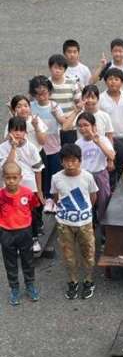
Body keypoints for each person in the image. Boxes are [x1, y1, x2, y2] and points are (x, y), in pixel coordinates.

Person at [51, 143, 98, 300]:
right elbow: (56, 197)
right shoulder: (56, 178)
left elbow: (93, 196)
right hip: (64, 224)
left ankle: (88, 281)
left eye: (73, 160)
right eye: (66, 161)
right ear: (61, 162)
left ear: (80, 161)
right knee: (68, 256)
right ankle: (72, 281)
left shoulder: (87, 177)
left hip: (84, 223)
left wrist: (84, 213)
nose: (70, 164)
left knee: (89, 253)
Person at [0, 118, 44, 252]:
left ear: (25, 132)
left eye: (21, 130)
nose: (18, 133)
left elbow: (38, 170)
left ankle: (34, 238)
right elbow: (7, 166)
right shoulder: (3, 148)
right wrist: (13, 148)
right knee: (13, 213)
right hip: (10, 186)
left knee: (32, 213)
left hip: (29, 186)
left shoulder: (31, 147)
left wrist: (39, 191)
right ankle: (16, 241)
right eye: (14, 130)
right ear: (9, 132)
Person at [0, 162, 40, 305]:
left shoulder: (27, 193)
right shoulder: (1, 195)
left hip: (24, 232)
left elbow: (33, 209)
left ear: (20, 177)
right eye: (8, 178)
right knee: (10, 262)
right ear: (3, 177)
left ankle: (30, 285)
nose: (11, 181)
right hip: (6, 232)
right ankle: (14, 288)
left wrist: (34, 232)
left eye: (14, 177)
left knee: (28, 260)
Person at [29, 75, 65, 214]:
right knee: (43, 173)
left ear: (49, 91)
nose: (41, 96)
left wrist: (56, 115)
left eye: (44, 92)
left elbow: (63, 122)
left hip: (54, 146)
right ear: (33, 94)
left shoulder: (54, 106)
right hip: (38, 147)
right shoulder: (31, 106)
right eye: (37, 94)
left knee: (55, 173)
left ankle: (54, 199)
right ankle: (46, 198)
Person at [76, 112, 115, 224]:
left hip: (100, 175)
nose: (83, 128)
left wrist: (98, 143)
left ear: (93, 126)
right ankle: (90, 225)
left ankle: (104, 227)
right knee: (87, 203)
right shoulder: (78, 143)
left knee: (103, 202)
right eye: (80, 126)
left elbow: (111, 156)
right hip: (85, 177)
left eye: (86, 125)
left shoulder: (102, 139)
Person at [48, 53, 82, 145]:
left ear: (65, 70)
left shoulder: (72, 82)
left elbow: (78, 102)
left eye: (60, 68)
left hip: (70, 125)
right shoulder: (46, 84)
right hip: (53, 127)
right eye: (55, 67)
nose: (57, 71)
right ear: (50, 68)